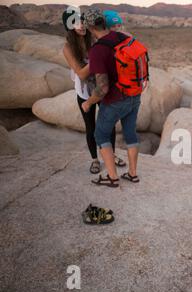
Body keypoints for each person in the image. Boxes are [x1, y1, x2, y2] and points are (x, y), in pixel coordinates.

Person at [61, 9, 126, 175]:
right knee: (91, 128)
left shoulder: (95, 38)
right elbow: (81, 74)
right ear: (69, 27)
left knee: (109, 125)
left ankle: (110, 155)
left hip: (102, 89)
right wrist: (99, 55)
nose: (81, 25)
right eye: (75, 23)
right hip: (84, 92)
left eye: (82, 21)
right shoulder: (68, 48)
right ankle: (95, 160)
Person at [82, 9, 141, 188]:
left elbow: (102, 88)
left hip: (115, 100)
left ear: (90, 27)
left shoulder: (98, 50)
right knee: (130, 133)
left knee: (100, 134)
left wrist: (88, 102)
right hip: (134, 95)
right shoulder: (123, 38)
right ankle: (132, 174)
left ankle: (112, 177)